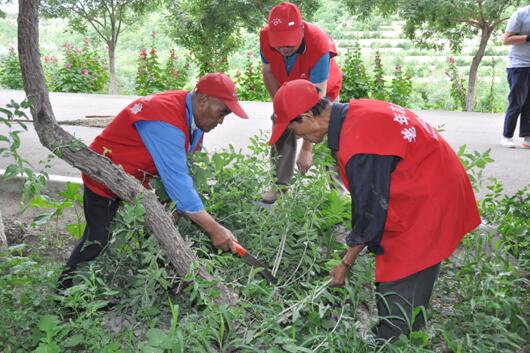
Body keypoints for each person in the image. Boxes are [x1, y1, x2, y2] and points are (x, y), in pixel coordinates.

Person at [269, 79, 481, 342]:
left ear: (307, 115)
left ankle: (397, 342)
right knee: (393, 277)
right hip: (427, 183)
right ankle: (404, 335)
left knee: (400, 284)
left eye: (297, 132)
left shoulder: (359, 143)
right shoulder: (356, 112)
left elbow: (369, 213)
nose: (301, 139)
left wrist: (345, 262)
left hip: (430, 201)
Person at [58, 73, 249, 289]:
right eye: (222, 111)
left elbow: (182, 168)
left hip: (138, 179)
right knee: (97, 239)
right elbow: (180, 188)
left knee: (162, 231)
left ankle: (159, 285)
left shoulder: (194, 117)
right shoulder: (166, 120)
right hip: (105, 176)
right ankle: (66, 296)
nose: (222, 120)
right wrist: (214, 229)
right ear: (203, 99)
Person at [259, 1, 343, 203]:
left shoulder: (318, 43)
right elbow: (268, 72)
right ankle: (279, 186)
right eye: (278, 42)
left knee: (332, 133)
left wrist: (306, 150)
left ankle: (337, 195)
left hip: (323, 96)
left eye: (289, 42)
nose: (283, 48)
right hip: (291, 90)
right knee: (282, 125)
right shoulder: (265, 37)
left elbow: (315, 108)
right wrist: (282, 107)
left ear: (301, 30)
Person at [501, 5, 530, 149]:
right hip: (519, 65)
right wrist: (527, 37)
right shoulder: (521, 14)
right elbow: (506, 40)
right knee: (516, 103)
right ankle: (507, 136)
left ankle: (527, 138)